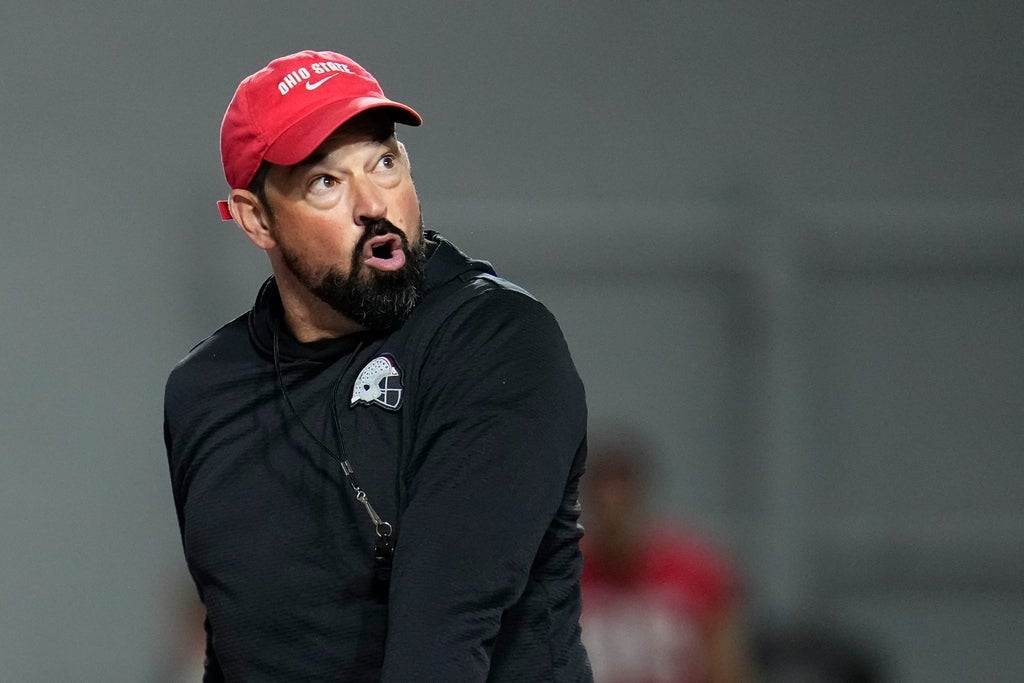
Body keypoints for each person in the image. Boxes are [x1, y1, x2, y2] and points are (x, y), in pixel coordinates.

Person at [163, 50, 592, 681]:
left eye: (384, 163)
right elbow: (235, 647)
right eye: (325, 182)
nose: (373, 203)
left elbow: (445, 638)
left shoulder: (493, 340)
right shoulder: (206, 390)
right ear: (257, 219)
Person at [579, 430, 752, 683]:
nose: (613, 513)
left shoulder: (696, 568)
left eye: (622, 500)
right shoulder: (567, 574)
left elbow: (728, 668)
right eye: (603, 501)